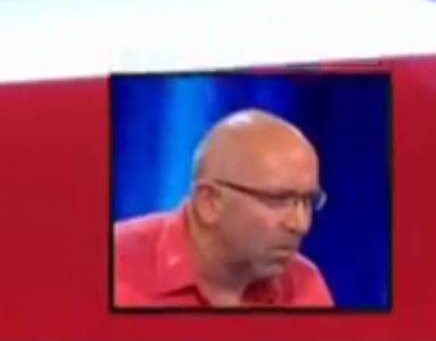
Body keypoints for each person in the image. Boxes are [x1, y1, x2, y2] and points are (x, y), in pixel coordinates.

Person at [114, 109, 334, 308]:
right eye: (277, 199)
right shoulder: (111, 266)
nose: (300, 224)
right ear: (209, 202)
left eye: (308, 201)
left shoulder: (304, 286)